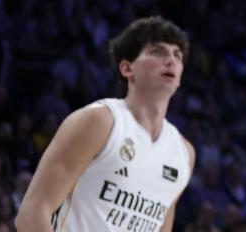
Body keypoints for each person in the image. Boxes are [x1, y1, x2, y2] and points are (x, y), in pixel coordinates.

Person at [15, 17, 194, 232]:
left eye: (177, 55)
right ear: (127, 68)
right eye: (158, 51)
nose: (171, 60)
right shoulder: (99, 122)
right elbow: (32, 214)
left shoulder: (184, 153)